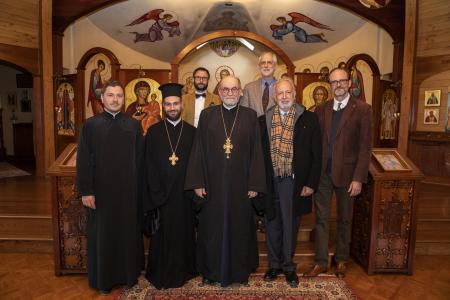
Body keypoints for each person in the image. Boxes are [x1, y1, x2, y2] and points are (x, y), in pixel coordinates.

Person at [185, 75, 266, 287]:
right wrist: (198, 182)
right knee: (212, 229)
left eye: (234, 89)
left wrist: (255, 184)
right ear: (219, 92)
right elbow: (198, 150)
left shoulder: (250, 116)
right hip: (213, 184)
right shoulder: (207, 115)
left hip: (241, 186)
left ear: (240, 92)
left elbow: (257, 152)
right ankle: (211, 271)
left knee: (239, 229)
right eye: (225, 89)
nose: (230, 93)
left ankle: (240, 272)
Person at [76, 80, 144, 294]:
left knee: (127, 233)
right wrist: (86, 190)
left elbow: (140, 160)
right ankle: (104, 279)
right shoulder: (91, 125)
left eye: (119, 96)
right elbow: (83, 160)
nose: (116, 99)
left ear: (124, 99)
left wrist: (140, 191)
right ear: (102, 98)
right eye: (111, 95)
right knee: (103, 236)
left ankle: (128, 275)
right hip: (101, 194)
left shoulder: (133, 125)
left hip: (128, 193)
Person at [304, 68, 372, 278]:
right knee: (321, 219)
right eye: (334, 82)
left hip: (348, 175)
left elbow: (365, 147)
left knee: (344, 219)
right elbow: (315, 144)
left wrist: (358, 178)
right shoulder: (321, 109)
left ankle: (341, 259)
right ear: (330, 85)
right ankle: (321, 262)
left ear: (350, 83)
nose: (338, 85)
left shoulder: (362, 109)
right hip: (323, 174)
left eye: (342, 81)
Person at [259, 78, 322, 287]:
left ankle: (288, 266)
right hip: (270, 181)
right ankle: (273, 266)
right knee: (272, 224)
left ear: (295, 94)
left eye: (288, 93)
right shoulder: (264, 120)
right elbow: (258, 155)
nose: (284, 97)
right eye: (280, 93)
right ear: (275, 97)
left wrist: (311, 183)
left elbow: (316, 154)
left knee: (289, 225)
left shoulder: (309, 119)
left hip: (294, 182)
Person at [144, 83, 196, 289]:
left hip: (184, 196)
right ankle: (160, 271)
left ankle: (185, 271)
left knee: (183, 233)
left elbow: (196, 164)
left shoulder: (192, 132)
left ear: (182, 105)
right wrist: (157, 195)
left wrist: (191, 191)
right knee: (163, 236)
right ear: (163, 106)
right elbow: (148, 165)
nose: (172, 107)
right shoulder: (154, 132)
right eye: (168, 104)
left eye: (175, 103)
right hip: (162, 197)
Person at [240, 52, 277, 117]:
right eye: (263, 63)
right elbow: (243, 114)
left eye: (269, 62)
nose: (266, 66)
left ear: (275, 66)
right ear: (259, 66)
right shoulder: (248, 88)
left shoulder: (283, 88)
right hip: (253, 126)